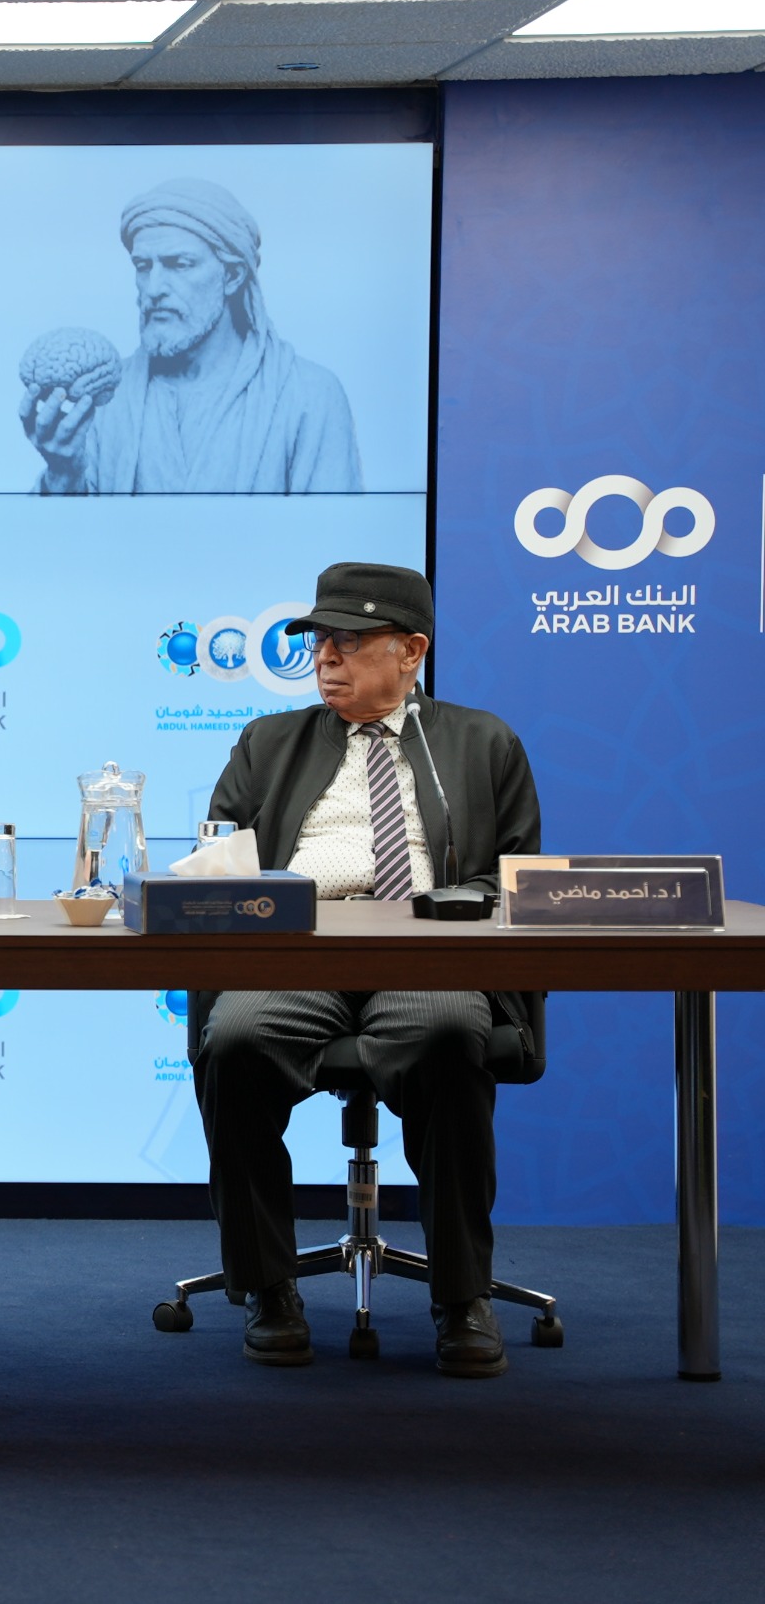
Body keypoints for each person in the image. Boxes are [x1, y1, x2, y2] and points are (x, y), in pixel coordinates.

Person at [193, 561, 541, 1377]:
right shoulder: (268, 741)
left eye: (349, 641)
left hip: (425, 953)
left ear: (411, 650)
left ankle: (463, 1292)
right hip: (298, 950)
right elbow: (217, 864)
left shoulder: (482, 742)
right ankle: (266, 1284)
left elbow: (518, 879)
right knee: (235, 1036)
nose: (325, 657)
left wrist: (445, 909)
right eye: (320, 640)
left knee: (449, 1029)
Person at [22, 176, 361, 495]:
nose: (153, 288)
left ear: (232, 275)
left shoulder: (307, 396)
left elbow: (333, 531)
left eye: (179, 264)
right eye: (143, 267)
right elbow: (64, 534)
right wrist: (63, 475)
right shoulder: (106, 399)